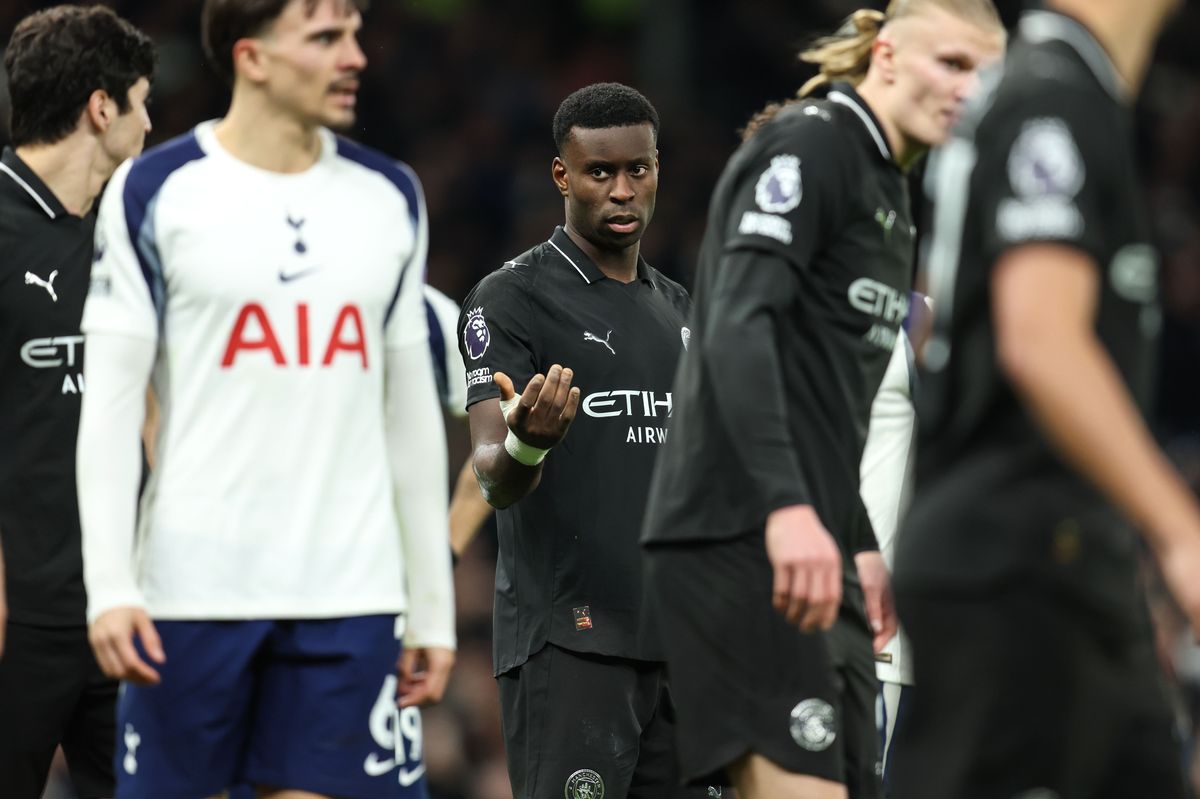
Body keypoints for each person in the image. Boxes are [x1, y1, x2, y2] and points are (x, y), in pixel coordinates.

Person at [75, 0, 456, 797]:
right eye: (325, 38)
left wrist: (431, 607)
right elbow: (110, 404)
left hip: (350, 594)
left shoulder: (390, 196)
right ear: (251, 58)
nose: (355, 55)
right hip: (190, 590)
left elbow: (411, 415)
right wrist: (110, 586)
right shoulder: (157, 190)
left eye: (354, 33)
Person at [639, 2, 1004, 798]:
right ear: (887, 54)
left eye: (985, 74)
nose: (968, 90)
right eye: (952, 63)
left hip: (818, 541)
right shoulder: (812, 144)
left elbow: (827, 404)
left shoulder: (893, 193)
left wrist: (860, 536)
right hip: (741, 533)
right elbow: (737, 324)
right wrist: (787, 509)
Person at [890, 1, 1200, 796]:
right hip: (1018, 560)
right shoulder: (1055, 95)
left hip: (1052, 554)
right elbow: (1043, 342)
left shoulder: (1044, 88)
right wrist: (1179, 532)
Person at [459, 82, 705, 799]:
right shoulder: (510, 299)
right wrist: (529, 444)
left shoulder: (682, 311)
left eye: (640, 169)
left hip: (683, 646)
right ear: (562, 176)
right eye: (601, 173)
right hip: (571, 640)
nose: (623, 190)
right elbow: (489, 475)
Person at [0, 7, 154, 799]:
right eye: (141, 101)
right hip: (16, 616)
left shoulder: (136, 234)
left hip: (122, 612)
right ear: (103, 107)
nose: (149, 122)